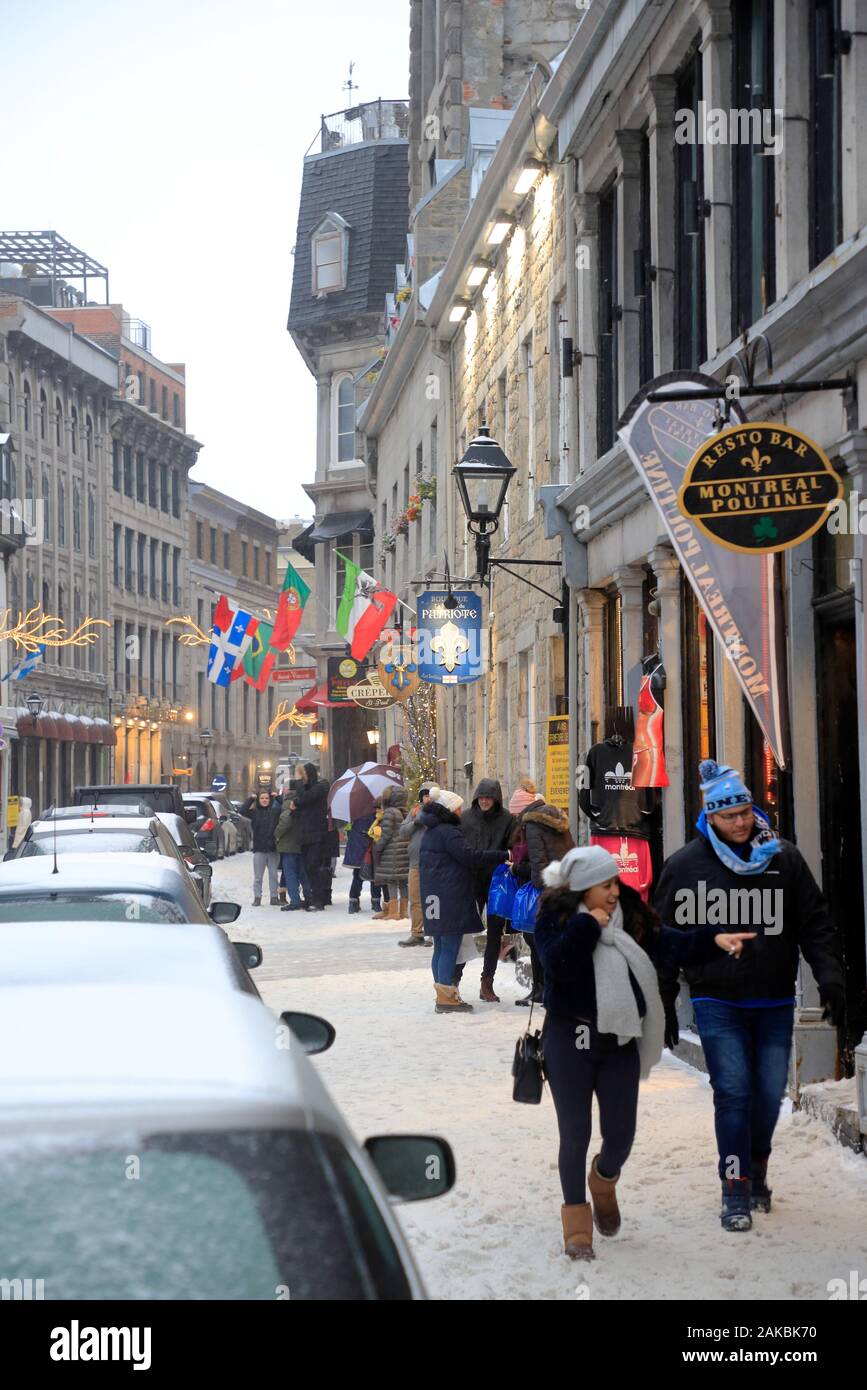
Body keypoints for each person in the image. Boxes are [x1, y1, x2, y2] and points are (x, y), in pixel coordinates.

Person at [535, 846, 755, 1262]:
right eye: (606, 885)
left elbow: (672, 945)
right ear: (583, 888)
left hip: (619, 1040)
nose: (616, 891)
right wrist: (585, 926)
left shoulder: (632, 918)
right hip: (569, 1037)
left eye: (616, 882)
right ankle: (577, 1228)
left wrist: (714, 940)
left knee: (620, 1136)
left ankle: (603, 1178)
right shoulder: (557, 917)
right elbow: (555, 965)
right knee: (575, 1133)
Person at [654, 758, 845, 1233]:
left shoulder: (783, 858)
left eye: (744, 811)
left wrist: (831, 980)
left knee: (765, 1097)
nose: (740, 822)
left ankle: (757, 1168)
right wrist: (662, 1000)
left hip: (775, 999)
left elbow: (815, 924)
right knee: (734, 1092)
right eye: (729, 815)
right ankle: (734, 1187)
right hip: (716, 999)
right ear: (709, 817)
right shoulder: (686, 867)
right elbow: (662, 935)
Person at [417, 786, 509, 1013]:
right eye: (458, 808)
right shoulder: (448, 832)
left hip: (434, 893)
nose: (461, 812)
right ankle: (446, 998)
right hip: (449, 895)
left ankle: (443, 993)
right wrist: (503, 855)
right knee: (449, 945)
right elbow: (471, 856)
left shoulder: (431, 830)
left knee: (440, 946)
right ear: (449, 810)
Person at [510, 797, 574, 1006]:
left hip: (547, 889)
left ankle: (542, 991)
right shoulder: (556, 817)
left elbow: (538, 863)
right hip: (565, 884)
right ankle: (549, 989)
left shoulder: (532, 825)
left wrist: (537, 886)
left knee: (539, 941)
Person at [460, 778, 516, 1000]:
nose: (484, 801)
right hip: (472, 880)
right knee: (464, 931)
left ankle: (487, 982)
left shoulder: (507, 820)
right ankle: (454, 979)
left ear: (496, 799)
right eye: (481, 796)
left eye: (488, 797)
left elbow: (512, 847)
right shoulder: (465, 818)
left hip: (496, 883)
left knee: (494, 933)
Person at [288, 762, 331, 911]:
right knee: (307, 868)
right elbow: (297, 812)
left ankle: (320, 899)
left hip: (317, 834)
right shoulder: (305, 791)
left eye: (301, 775)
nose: (299, 779)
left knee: (314, 866)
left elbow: (305, 798)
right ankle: (313, 897)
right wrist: (294, 808)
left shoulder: (320, 787)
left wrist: (299, 783)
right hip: (305, 835)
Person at [397, 782, 434, 946]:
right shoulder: (415, 812)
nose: (427, 798)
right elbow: (402, 831)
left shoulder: (441, 812)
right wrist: (415, 822)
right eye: (424, 795)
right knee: (415, 899)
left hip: (434, 863)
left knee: (433, 898)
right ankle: (417, 932)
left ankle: (433, 933)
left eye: (429, 795)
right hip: (415, 862)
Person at [372, 785, 410, 921]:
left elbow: (386, 834)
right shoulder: (405, 812)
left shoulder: (390, 812)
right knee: (403, 882)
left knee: (392, 881)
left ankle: (393, 912)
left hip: (392, 853)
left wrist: (378, 847)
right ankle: (404, 911)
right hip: (404, 852)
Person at [242, 789, 281, 906]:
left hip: (273, 849)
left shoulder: (275, 812)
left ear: (270, 800)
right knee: (258, 876)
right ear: (258, 800)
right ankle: (257, 897)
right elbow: (242, 811)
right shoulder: (254, 812)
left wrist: (278, 797)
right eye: (262, 798)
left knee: (274, 875)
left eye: (267, 798)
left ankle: (274, 897)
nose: (264, 800)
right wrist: (251, 799)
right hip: (259, 849)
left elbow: (286, 807)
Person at [275, 792, 311, 911]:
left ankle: (295, 901)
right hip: (301, 848)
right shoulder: (303, 812)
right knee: (302, 874)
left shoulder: (287, 812)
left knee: (290, 875)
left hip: (288, 848)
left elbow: (282, 827)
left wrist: (276, 834)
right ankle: (308, 897)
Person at [344, 810, 382, 915]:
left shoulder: (355, 810)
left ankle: (353, 902)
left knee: (357, 875)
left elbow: (348, 829)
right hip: (371, 846)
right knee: (374, 875)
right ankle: (376, 902)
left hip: (357, 845)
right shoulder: (377, 813)